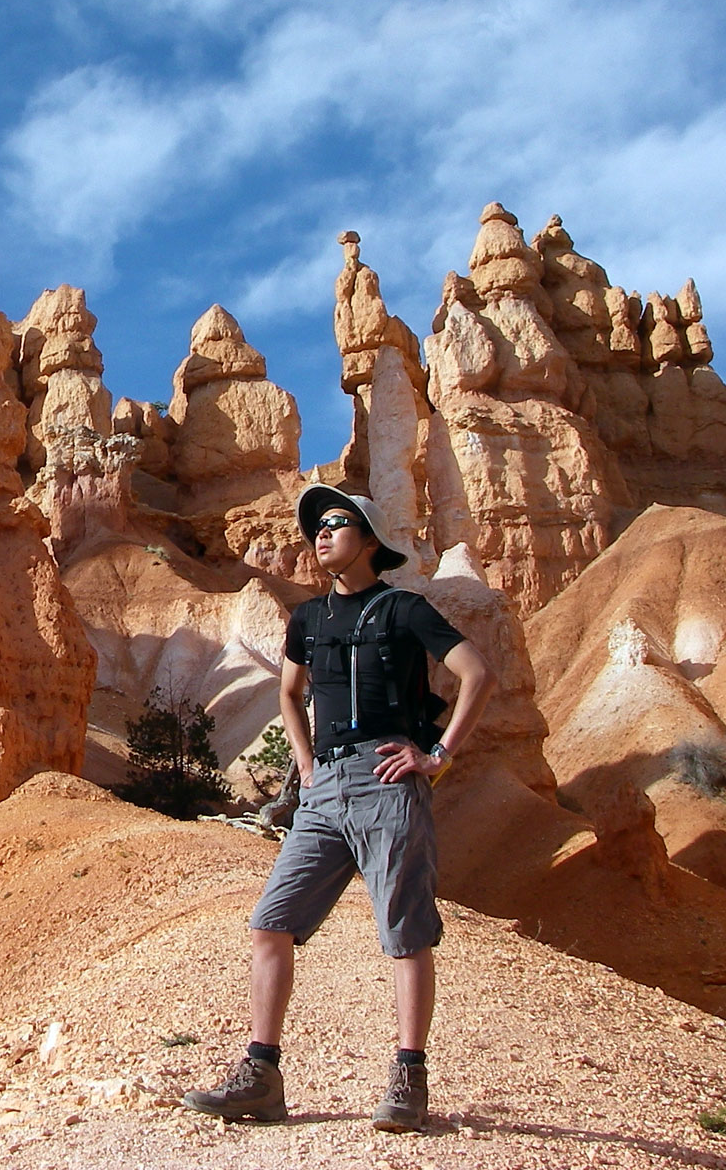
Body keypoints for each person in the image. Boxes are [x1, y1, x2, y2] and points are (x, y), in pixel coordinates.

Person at [182, 483, 494, 1133]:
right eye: (316, 527)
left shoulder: (406, 609)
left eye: (336, 523)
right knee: (271, 923)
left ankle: (409, 1077)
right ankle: (261, 1077)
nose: (321, 534)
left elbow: (477, 673)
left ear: (372, 540)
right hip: (325, 789)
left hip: (388, 779)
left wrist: (437, 755)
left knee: (404, 931)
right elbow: (290, 694)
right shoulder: (307, 620)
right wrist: (304, 764)